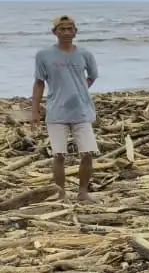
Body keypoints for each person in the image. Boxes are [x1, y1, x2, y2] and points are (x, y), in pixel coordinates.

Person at [31, 15, 99, 202]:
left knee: (87, 153)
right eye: (62, 29)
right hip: (56, 111)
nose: (67, 32)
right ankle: (60, 193)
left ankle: (83, 192)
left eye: (70, 29)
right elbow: (39, 83)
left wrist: (79, 90)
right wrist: (35, 110)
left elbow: (92, 76)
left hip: (82, 111)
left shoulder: (85, 55)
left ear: (76, 32)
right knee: (59, 154)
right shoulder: (43, 55)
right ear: (55, 32)